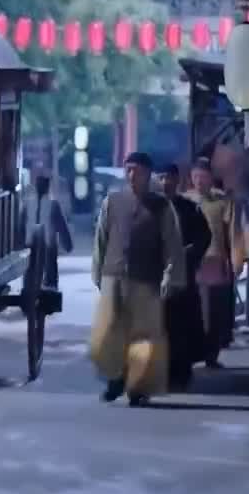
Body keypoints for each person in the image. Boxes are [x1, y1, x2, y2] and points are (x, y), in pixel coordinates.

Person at [89, 152, 186, 407]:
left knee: (144, 336)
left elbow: (172, 244)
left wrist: (170, 276)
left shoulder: (161, 206)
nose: (133, 175)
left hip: (147, 279)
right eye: (129, 170)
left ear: (148, 174)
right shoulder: (112, 201)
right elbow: (101, 238)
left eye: (138, 171)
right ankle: (115, 380)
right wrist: (98, 271)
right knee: (110, 332)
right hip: (114, 275)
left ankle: (139, 387)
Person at [157, 163, 211, 391]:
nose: (166, 182)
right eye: (162, 177)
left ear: (177, 181)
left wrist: (189, 255)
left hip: (182, 277)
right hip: (155, 277)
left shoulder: (189, 209)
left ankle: (181, 373)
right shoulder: (149, 208)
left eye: (169, 178)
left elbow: (204, 237)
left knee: (181, 326)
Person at [188, 158, 236, 368]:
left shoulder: (222, 202)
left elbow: (230, 234)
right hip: (193, 261)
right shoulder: (185, 201)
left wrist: (231, 260)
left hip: (215, 259)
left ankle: (211, 354)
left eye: (203, 177)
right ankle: (192, 352)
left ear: (210, 178)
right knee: (194, 309)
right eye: (195, 176)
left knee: (215, 311)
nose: (199, 181)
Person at [24, 174, 73, 288]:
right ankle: (49, 289)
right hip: (48, 244)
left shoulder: (28, 204)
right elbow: (62, 226)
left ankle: (31, 288)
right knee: (50, 273)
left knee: (30, 270)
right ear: (48, 187)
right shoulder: (53, 204)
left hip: (30, 243)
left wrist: (18, 243)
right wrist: (67, 244)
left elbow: (21, 225)